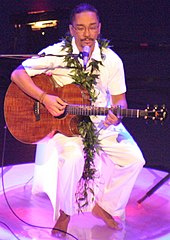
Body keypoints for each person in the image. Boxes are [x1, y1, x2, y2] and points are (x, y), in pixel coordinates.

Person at [10, 2, 145, 237]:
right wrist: (45, 98)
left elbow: (120, 101)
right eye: (80, 28)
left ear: (99, 28)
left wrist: (117, 114)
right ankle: (64, 213)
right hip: (66, 125)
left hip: (102, 123)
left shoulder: (112, 60)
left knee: (134, 159)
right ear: (72, 30)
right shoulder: (59, 52)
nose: (86, 34)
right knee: (72, 158)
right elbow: (18, 73)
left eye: (92, 28)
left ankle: (104, 206)